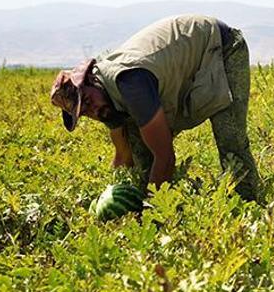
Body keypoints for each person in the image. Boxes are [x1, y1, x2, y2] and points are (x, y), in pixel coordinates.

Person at [50, 14, 261, 201]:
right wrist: (110, 195)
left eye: (87, 101)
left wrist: (152, 214)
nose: (92, 110)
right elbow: (123, 156)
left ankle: (249, 205)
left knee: (229, 137)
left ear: (91, 79)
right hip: (182, 66)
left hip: (220, 46)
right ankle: (165, 202)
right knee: (139, 148)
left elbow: (165, 156)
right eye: (83, 112)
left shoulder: (130, 82)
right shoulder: (103, 102)